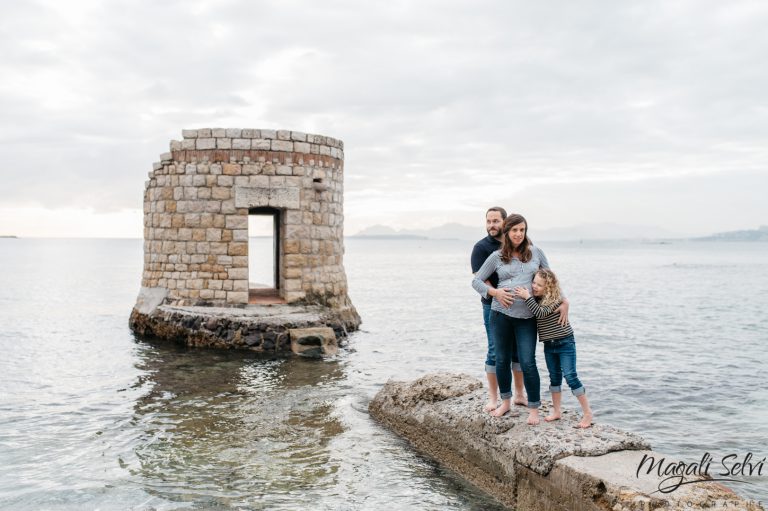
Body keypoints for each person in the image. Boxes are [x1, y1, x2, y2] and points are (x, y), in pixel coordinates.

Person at [472, 214, 568, 425]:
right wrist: (495, 293)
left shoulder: (536, 253)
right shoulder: (496, 257)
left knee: (527, 361)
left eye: (522, 230)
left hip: (527, 317)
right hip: (500, 315)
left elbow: (550, 279)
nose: (518, 234)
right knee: (502, 359)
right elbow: (476, 281)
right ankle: (505, 402)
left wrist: (564, 301)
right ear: (507, 232)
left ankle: (533, 408)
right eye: (514, 230)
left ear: (525, 232)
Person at [514, 269, 593, 428]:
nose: (535, 286)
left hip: (565, 343)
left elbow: (540, 313)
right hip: (549, 345)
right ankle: (557, 411)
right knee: (554, 378)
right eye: (534, 283)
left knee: (570, 376)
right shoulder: (537, 299)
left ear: (549, 288)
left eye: (540, 285)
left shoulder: (554, 299)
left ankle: (587, 414)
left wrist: (527, 296)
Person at [470, 207, 526, 412]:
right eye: (488, 221)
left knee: (518, 351)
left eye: (496, 221)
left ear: (505, 222)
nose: (491, 225)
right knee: (495, 350)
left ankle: (520, 395)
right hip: (492, 307)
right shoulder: (481, 248)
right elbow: (480, 280)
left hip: (519, 307)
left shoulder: (517, 243)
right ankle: (493, 398)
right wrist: (498, 294)